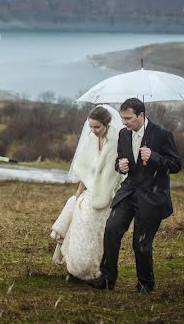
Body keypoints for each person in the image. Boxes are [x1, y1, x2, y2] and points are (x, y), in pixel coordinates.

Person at [89, 97, 181, 293]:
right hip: (128, 192)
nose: (124, 122)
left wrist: (154, 157)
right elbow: (120, 160)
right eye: (122, 118)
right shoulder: (123, 134)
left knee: (140, 243)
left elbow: (175, 165)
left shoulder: (163, 135)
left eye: (128, 118)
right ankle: (107, 278)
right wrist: (120, 165)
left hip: (152, 196)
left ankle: (145, 284)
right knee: (112, 229)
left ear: (141, 115)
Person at [50, 105, 124, 281]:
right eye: (91, 126)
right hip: (89, 195)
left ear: (107, 124)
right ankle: (75, 269)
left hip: (107, 196)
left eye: (97, 127)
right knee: (78, 231)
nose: (93, 130)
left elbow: (118, 173)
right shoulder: (91, 140)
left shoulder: (117, 142)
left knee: (96, 237)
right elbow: (85, 172)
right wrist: (77, 195)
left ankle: (93, 271)